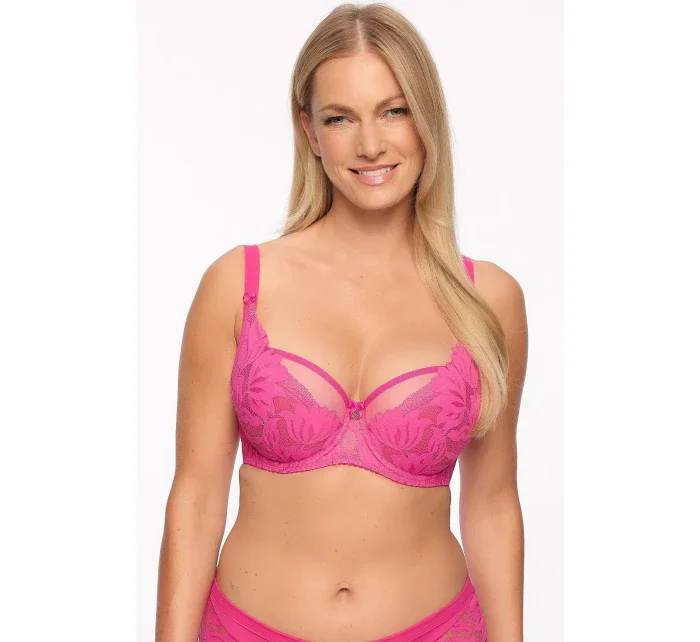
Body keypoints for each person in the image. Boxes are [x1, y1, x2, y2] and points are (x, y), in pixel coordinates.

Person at [156, 4, 527, 641]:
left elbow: (492, 505)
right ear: (309, 130)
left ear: (427, 117)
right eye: (340, 118)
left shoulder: (487, 300)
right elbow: (195, 497)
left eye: (394, 110)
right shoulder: (238, 285)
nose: (371, 145)